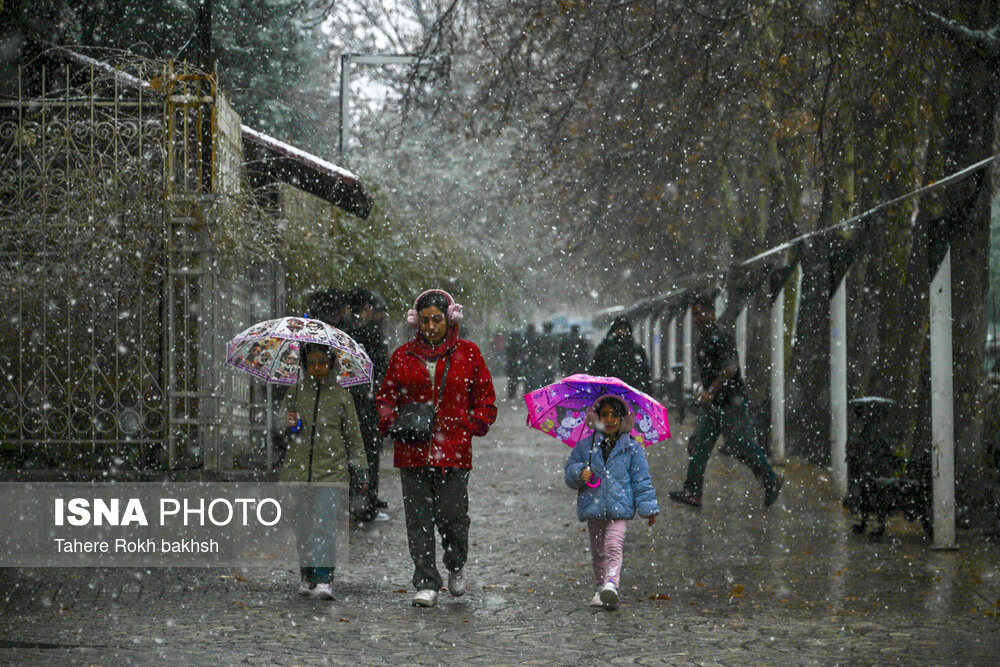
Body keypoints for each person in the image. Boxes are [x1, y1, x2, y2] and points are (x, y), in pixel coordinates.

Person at [376, 289, 497, 608]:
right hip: (412, 452)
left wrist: (471, 424)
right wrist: (390, 420)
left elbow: (485, 399)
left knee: (453, 516)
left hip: (454, 452)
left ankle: (456, 562)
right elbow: (386, 398)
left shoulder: (469, 353)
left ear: (450, 318)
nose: (431, 326)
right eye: (425, 320)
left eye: (437, 319)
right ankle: (426, 580)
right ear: (416, 321)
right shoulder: (402, 356)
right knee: (418, 519)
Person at [668, 293, 783, 508]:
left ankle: (771, 479)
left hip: (731, 402)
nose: (697, 320)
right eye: (694, 316)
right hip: (715, 405)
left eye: (700, 314)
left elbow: (731, 367)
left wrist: (711, 390)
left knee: (741, 445)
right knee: (698, 444)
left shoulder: (721, 336)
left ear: (712, 313)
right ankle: (692, 491)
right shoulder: (705, 339)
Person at [279, 344, 369, 600]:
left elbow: (353, 436)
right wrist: (288, 425)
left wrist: (360, 470)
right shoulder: (295, 392)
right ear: (304, 364)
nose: (316, 368)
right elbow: (278, 429)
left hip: (332, 471)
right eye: (311, 362)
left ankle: (324, 578)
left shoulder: (341, 397)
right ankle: (306, 575)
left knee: (325, 526)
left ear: (331, 363)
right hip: (298, 472)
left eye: (322, 362)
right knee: (303, 527)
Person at [564, 395, 658, 610]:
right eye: (604, 415)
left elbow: (641, 480)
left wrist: (648, 508)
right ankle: (600, 588)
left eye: (615, 415)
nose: (609, 420)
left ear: (623, 419)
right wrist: (580, 473)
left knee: (613, 546)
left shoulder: (632, 448)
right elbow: (569, 473)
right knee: (598, 551)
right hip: (593, 506)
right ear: (595, 418)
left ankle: (611, 584)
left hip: (620, 509)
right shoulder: (585, 447)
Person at [346, 286, 391, 520]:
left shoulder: (345, 332)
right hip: (365, 401)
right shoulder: (370, 333)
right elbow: (380, 366)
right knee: (367, 453)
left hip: (354, 400)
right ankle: (366, 501)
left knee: (356, 452)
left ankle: (361, 499)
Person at [589, 317, 652, 393]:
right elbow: (596, 369)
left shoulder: (605, 347)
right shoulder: (606, 347)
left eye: (624, 329)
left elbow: (644, 372)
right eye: (620, 329)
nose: (622, 331)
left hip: (618, 391)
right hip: (617, 391)